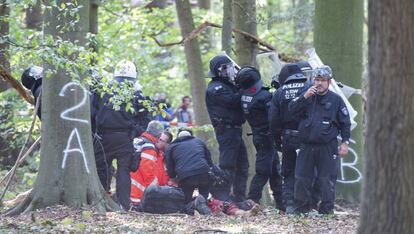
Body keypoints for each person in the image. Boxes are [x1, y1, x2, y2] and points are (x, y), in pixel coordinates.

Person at [289, 65, 351, 214]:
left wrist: (345, 142)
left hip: (327, 146)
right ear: (312, 80)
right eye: (317, 79)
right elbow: (291, 110)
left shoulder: (336, 100)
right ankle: (301, 210)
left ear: (329, 82)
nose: (319, 83)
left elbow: (345, 123)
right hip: (306, 145)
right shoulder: (305, 96)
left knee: (326, 179)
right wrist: (304, 97)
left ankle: (326, 211)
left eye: (323, 80)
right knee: (302, 178)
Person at [90, 60, 150, 210]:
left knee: (102, 169)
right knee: (124, 172)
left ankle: (103, 201)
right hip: (125, 138)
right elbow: (145, 118)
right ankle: (124, 204)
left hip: (103, 137)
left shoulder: (102, 90)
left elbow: (91, 112)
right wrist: (134, 132)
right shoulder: (136, 93)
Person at [236, 66, 284, 211]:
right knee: (264, 171)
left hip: (260, 136)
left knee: (275, 171)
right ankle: (251, 200)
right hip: (266, 138)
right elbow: (274, 115)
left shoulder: (243, 94)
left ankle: (282, 204)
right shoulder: (263, 96)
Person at [205, 55, 249, 202]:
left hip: (235, 130)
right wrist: (244, 86)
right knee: (227, 165)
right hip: (227, 131)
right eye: (227, 68)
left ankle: (239, 199)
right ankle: (222, 199)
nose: (230, 71)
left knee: (243, 165)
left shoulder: (227, 85)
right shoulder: (216, 88)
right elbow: (233, 100)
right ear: (219, 70)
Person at [269, 63, 310, 213]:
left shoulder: (279, 92)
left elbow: (273, 120)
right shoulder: (309, 88)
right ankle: (306, 205)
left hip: (288, 137)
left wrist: (277, 139)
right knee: (307, 171)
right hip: (307, 137)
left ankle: (290, 204)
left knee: (288, 171)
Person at [164, 129, 213, 206]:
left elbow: (169, 165)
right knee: (203, 196)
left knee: (186, 199)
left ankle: (189, 211)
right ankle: (204, 208)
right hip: (203, 173)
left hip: (186, 176)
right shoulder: (199, 142)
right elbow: (209, 160)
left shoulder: (172, 147)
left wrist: (172, 176)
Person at [130, 120, 165, 205]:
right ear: (159, 135)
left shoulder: (136, 140)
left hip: (127, 183)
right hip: (136, 191)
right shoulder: (149, 147)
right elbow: (147, 169)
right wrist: (154, 187)